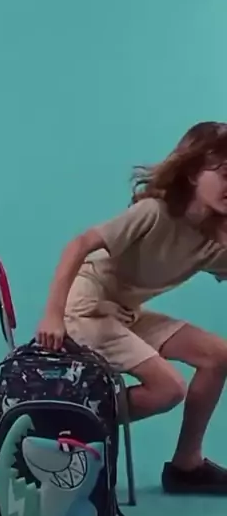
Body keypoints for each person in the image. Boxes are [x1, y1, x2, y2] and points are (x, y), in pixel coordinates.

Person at [36, 121, 227, 494]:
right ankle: (58, 430)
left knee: (218, 355)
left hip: (123, 312)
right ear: (192, 173)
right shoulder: (154, 212)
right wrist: (52, 314)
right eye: (225, 174)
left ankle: (187, 465)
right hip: (86, 308)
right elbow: (78, 245)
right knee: (167, 389)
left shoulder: (214, 238)